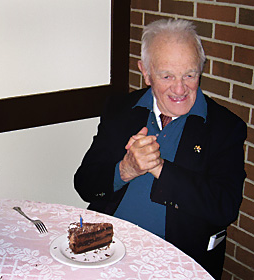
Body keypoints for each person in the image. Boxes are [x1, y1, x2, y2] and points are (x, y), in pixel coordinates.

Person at [74, 19, 246, 279]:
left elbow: (224, 207)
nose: (180, 89)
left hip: (175, 260)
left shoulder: (224, 127)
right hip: (105, 250)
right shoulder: (121, 109)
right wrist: (125, 169)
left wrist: (160, 168)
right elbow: (85, 184)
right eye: (167, 76)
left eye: (190, 74)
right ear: (146, 71)